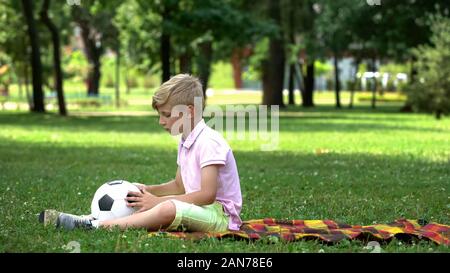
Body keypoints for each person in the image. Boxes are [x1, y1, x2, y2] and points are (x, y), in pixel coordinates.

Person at [39, 74, 243, 232]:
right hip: (200, 208)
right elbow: (179, 186)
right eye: (159, 114)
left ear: (188, 111)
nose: (161, 121)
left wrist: (158, 201)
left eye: (166, 115)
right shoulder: (186, 140)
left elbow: (207, 195)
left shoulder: (209, 141)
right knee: (147, 202)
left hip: (220, 216)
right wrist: (148, 190)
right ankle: (87, 219)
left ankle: (98, 227)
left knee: (166, 208)